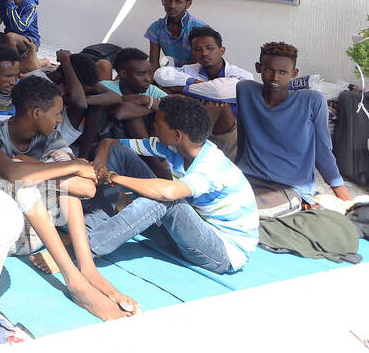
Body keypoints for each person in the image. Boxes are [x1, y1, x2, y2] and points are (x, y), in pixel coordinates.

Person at [0, 75, 138, 321]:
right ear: (36, 113)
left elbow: (87, 188)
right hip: (2, 236)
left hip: (38, 237)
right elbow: (10, 172)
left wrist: (35, 166)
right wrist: (71, 167)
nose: (61, 119)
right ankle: (75, 283)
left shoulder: (50, 137)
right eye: (58, 113)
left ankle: (88, 270)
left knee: (56, 181)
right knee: (21, 179)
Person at [90, 95, 258, 274]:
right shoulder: (172, 146)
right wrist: (100, 163)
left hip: (221, 252)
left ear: (177, 134)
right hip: (189, 231)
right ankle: (90, 226)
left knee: (166, 199)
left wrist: (112, 177)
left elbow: (168, 193)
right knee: (119, 153)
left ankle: (89, 247)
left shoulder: (212, 166)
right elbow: (109, 143)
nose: (153, 126)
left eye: (158, 124)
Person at [233, 42, 352, 212]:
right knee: (206, 204)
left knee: (242, 211)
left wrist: (346, 200)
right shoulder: (245, 90)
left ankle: (311, 200)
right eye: (269, 70)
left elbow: (323, 151)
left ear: (294, 73)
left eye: (282, 72)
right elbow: (244, 138)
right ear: (258, 68)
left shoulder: (312, 101)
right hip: (248, 178)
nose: (275, 77)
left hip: (288, 187)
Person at [153, 27, 253, 158]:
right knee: (164, 94)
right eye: (198, 49)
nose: (204, 53)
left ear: (222, 50)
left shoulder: (240, 74)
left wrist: (183, 88)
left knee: (215, 104)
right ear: (192, 52)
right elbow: (161, 74)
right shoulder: (191, 70)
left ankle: (187, 156)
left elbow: (220, 91)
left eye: (210, 48)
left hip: (231, 136)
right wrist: (192, 82)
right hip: (191, 128)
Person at [145, 0, 208, 68]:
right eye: (168, 0)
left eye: (178, 2)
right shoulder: (156, 28)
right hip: (170, 74)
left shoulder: (200, 29)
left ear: (188, 4)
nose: (172, 6)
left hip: (196, 76)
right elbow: (153, 64)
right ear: (162, 1)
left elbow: (197, 67)